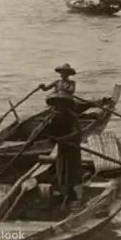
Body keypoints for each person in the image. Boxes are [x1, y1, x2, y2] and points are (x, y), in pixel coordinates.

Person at [39, 64, 82, 211]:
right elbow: (48, 131)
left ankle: (71, 197)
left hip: (72, 148)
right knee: (60, 172)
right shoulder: (55, 116)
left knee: (70, 173)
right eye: (56, 105)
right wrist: (43, 131)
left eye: (61, 104)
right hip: (62, 149)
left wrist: (64, 139)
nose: (58, 107)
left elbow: (77, 133)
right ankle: (63, 195)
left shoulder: (72, 116)